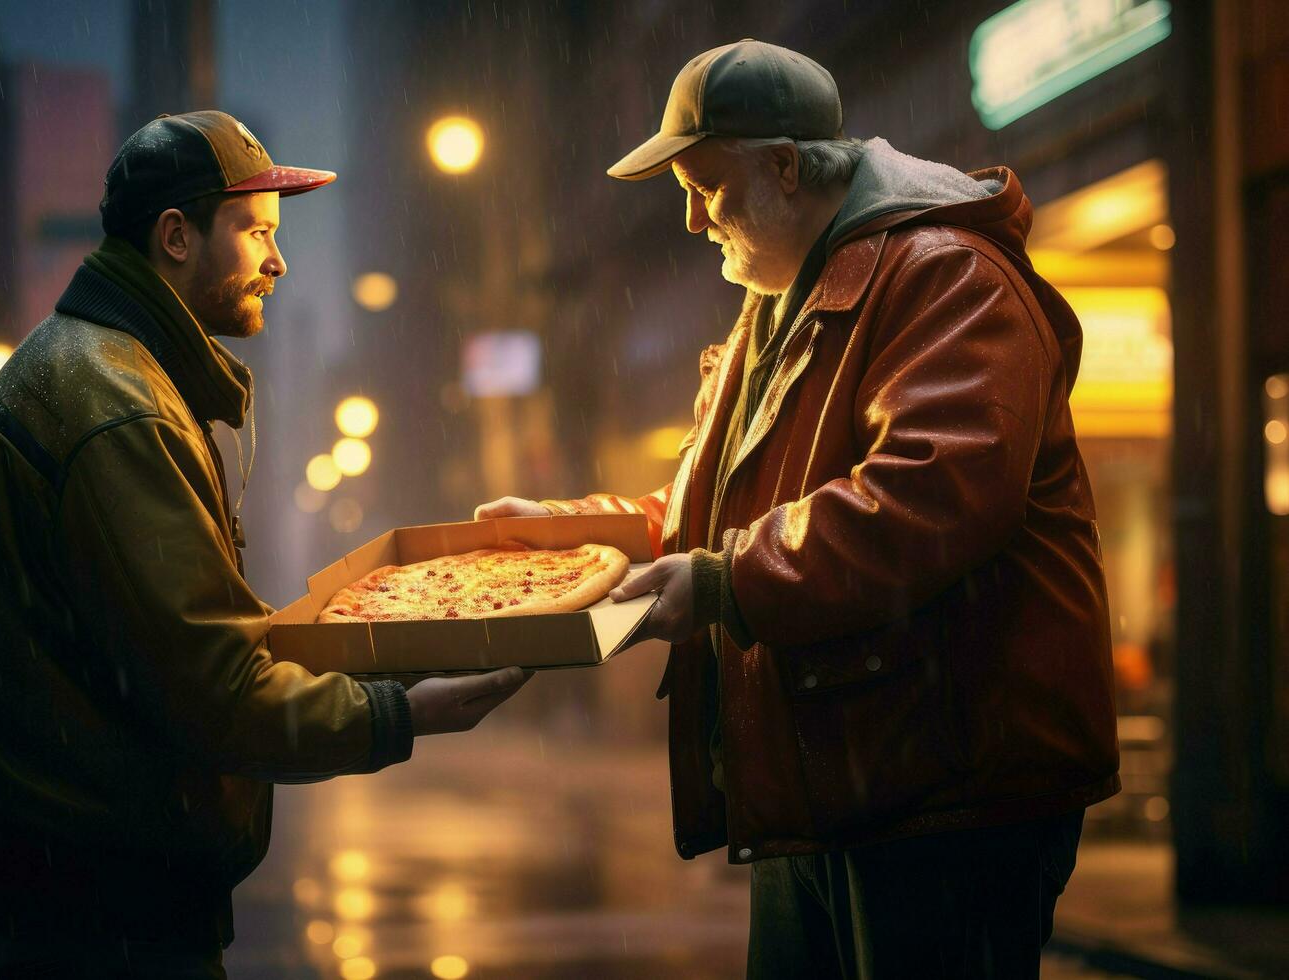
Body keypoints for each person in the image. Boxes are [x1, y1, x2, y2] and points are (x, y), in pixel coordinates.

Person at [477, 40, 1119, 978]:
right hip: (837, 776)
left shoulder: (943, 272)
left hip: (943, 795)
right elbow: (709, 509)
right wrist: (566, 530)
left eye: (706, 186)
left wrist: (726, 581)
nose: (694, 221)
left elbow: (929, 497)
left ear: (784, 165)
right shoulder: (779, 305)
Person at [0, 110, 528, 978]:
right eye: (256, 232)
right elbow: (214, 687)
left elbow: (186, 645)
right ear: (175, 236)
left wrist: (380, 657)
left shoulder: (114, 373)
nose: (278, 261)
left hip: (82, 877)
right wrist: (402, 712)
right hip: (101, 897)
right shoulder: (116, 404)